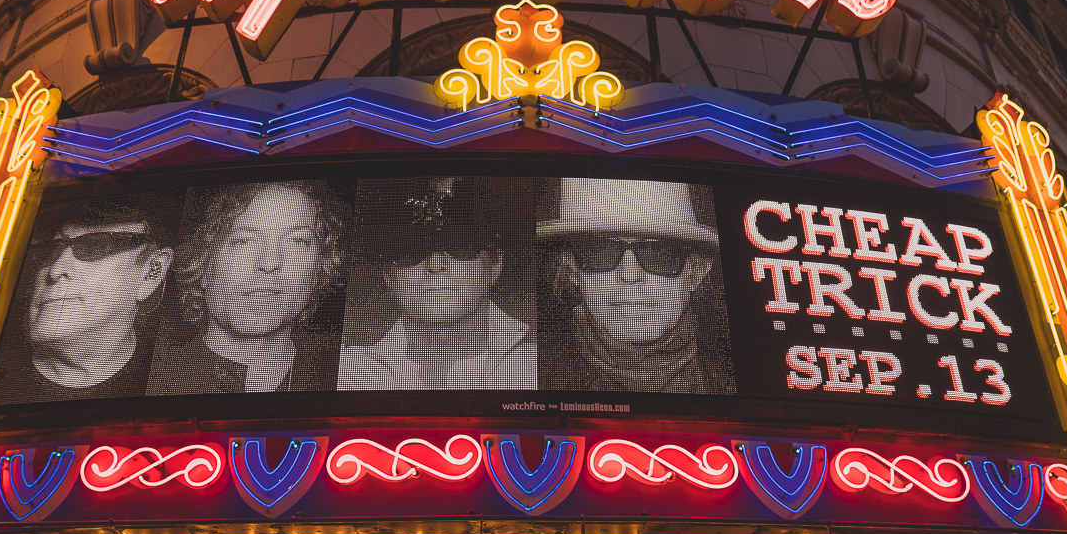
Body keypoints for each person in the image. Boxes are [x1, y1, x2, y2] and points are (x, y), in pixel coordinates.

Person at [148, 180, 349, 393]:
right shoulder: (157, 382)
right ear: (202, 263)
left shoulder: (350, 374)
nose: (269, 263)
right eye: (244, 241)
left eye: (297, 241)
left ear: (321, 267)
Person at [537, 177, 734, 394]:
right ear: (571, 270)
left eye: (659, 254)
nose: (630, 275)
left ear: (696, 271)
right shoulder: (530, 372)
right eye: (601, 252)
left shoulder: (729, 379)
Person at [338, 176, 536, 390]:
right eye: (411, 251)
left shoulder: (538, 364)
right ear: (385, 272)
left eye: (460, 246)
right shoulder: (352, 373)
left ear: (496, 262)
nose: (435, 264)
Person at [0, 194, 175, 404]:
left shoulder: (172, 384)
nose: (55, 270)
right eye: (50, 248)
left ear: (152, 273)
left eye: (95, 246)